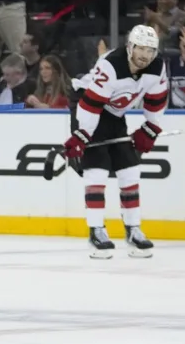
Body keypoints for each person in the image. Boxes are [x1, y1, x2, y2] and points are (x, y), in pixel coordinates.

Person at [65, 25, 168, 259]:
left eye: (150, 50)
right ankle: (96, 231)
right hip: (87, 106)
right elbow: (91, 104)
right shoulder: (111, 65)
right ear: (130, 46)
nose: (144, 55)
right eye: (140, 48)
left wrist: (151, 127)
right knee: (97, 168)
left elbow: (156, 99)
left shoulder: (157, 67)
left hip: (114, 114)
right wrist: (82, 135)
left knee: (130, 168)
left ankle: (133, 231)